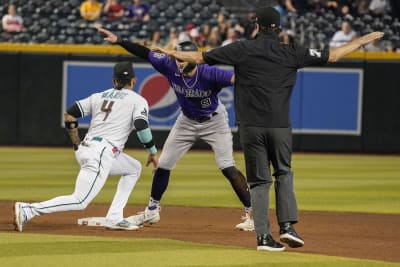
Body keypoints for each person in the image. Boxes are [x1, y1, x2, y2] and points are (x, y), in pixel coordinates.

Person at [154, 6, 384, 251]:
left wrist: (166, 51)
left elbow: (198, 58)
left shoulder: (241, 48)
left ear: (256, 26)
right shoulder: (293, 51)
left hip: (250, 127)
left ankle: (263, 237)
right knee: (283, 173)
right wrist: (361, 41)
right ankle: (287, 227)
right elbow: (335, 55)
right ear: (279, 29)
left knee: (259, 182)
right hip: (279, 126)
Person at [97, 27, 254, 231]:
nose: (179, 62)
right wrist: (119, 39)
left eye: (183, 58)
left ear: (194, 58)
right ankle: (152, 211)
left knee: (227, 167)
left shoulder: (210, 72)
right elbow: (143, 52)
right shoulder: (169, 64)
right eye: (177, 58)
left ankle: (252, 214)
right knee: (163, 165)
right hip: (186, 121)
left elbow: (238, 80)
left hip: (214, 122)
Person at [13, 62, 159, 232]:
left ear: (114, 81)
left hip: (90, 148)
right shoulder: (137, 100)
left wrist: (76, 142)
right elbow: (141, 126)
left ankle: (114, 217)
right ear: (133, 81)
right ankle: (28, 210)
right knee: (80, 200)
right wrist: (152, 151)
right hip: (102, 152)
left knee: (133, 168)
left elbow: (70, 113)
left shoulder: (99, 96)